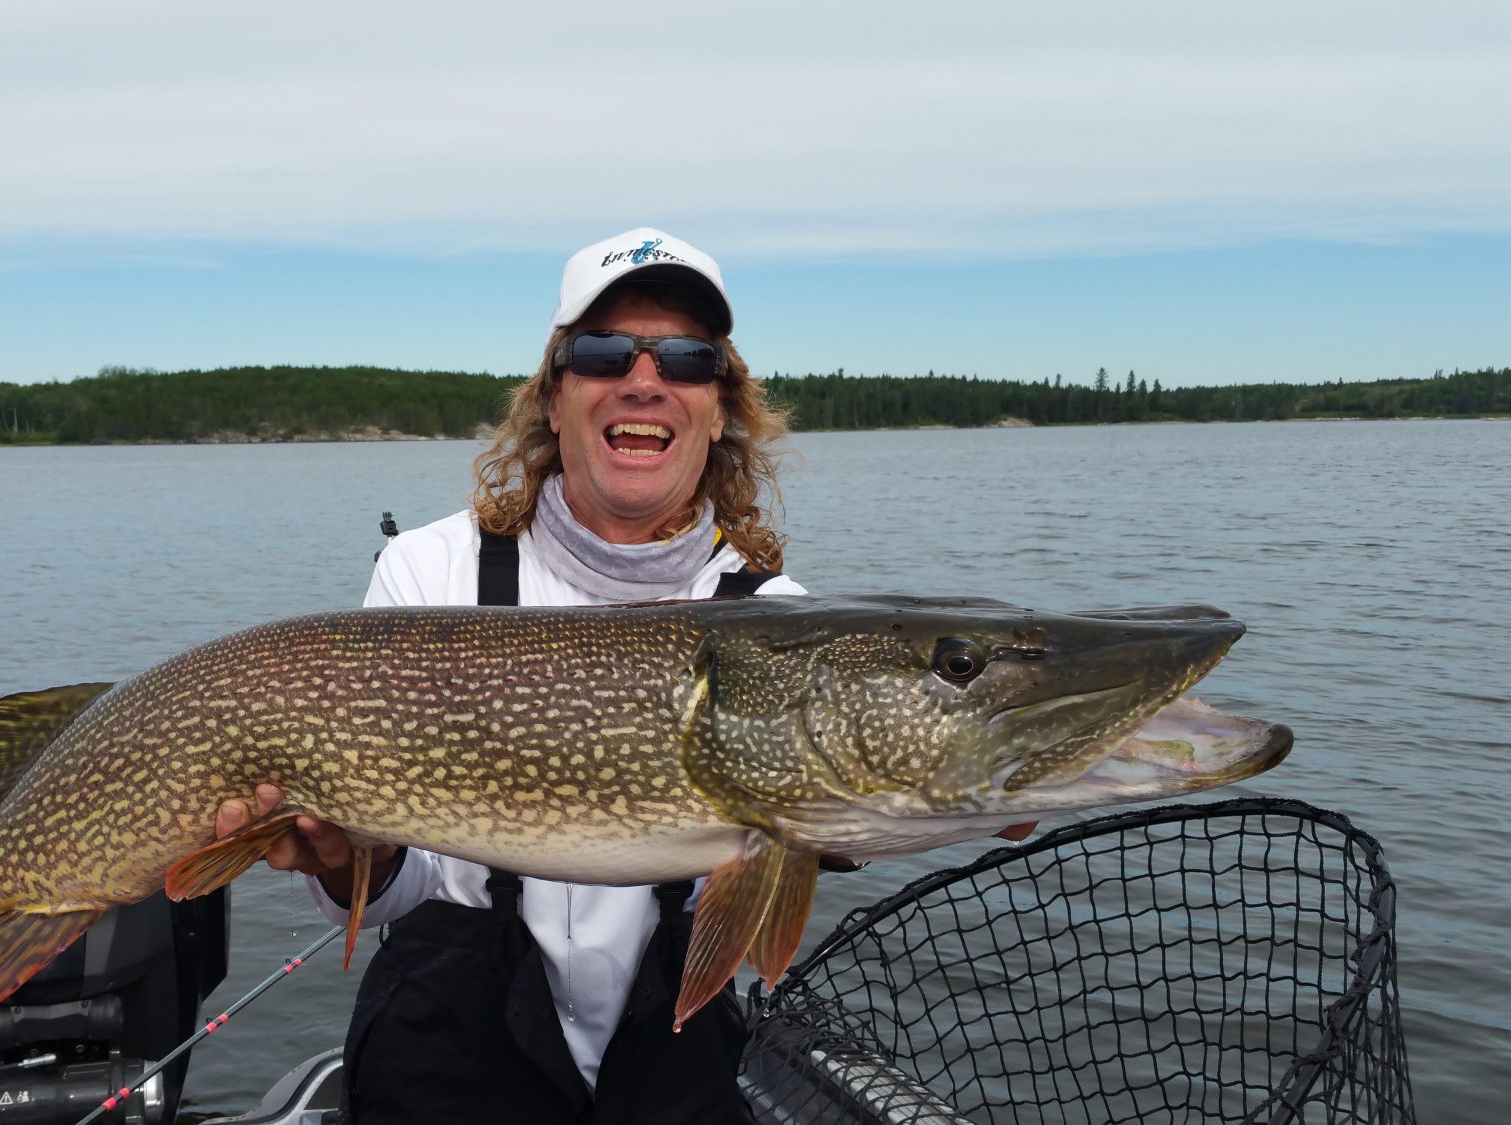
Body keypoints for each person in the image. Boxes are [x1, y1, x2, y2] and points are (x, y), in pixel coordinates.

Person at [216, 228, 1033, 1123]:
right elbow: (393, 891)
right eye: (604, 352)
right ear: (555, 398)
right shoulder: (429, 575)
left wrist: (953, 787)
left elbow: (836, 802)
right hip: (448, 1046)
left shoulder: (779, 615)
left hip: (671, 1055)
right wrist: (346, 863)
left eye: (687, 358)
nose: (645, 379)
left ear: (719, 409)